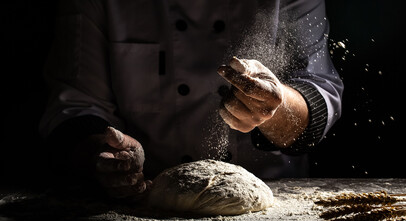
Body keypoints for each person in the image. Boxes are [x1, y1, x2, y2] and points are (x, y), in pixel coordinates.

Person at [40, 0, 343, 199]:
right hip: (140, 202)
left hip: (276, 199)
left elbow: (318, 94)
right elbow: (74, 105)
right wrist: (106, 156)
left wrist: (272, 108)